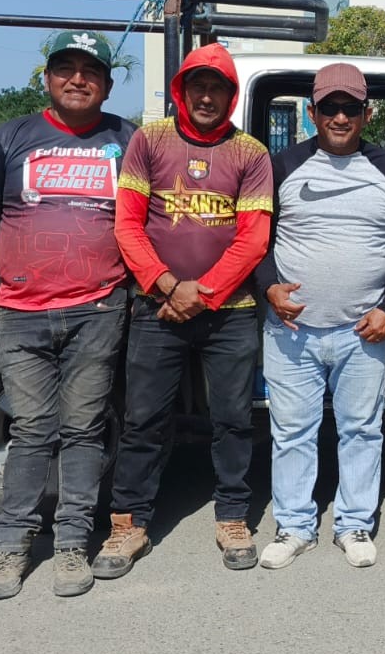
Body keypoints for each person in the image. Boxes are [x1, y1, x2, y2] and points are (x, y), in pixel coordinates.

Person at [0, 30, 136, 600]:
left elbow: (144, 219)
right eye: (66, 68)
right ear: (47, 78)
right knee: (32, 430)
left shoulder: (128, 141)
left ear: (107, 84)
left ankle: (71, 545)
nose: (78, 79)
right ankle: (13, 545)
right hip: (21, 311)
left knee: (85, 429)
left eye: (91, 71)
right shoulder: (10, 138)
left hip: (99, 308)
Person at [93, 43, 273, 576]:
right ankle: (129, 523)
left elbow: (253, 238)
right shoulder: (150, 140)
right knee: (144, 419)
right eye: (197, 86)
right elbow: (127, 224)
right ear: (181, 90)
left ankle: (233, 516)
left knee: (233, 419)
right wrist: (169, 286)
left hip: (232, 309)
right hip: (158, 307)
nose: (206, 96)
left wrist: (203, 292)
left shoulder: (251, 153)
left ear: (231, 96)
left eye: (217, 87)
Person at [252, 63, 385, 570]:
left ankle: (354, 523)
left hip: (362, 331)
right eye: (329, 107)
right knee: (291, 432)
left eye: (350, 108)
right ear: (311, 112)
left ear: (367, 113)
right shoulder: (282, 165)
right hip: (291, 330)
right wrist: (269, 288)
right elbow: (256, 239)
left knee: (361, 430)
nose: (340, 117)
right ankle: (295, 526)